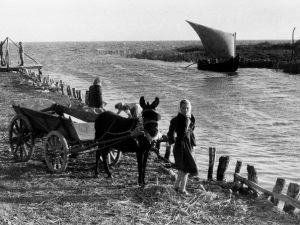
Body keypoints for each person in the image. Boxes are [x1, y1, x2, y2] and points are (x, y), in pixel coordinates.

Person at [167, 99, 198, 195]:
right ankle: (182, 189)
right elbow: (171, 133)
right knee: (186, 168)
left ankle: (176, 186)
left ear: (190, 108)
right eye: (183, 108)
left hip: (186, 146)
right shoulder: (178, 120)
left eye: (187, 108)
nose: (185, 110)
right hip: (181, 146)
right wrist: (171, 142)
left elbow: (191, 133)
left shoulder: (190, 118)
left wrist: (193, 144)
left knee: (182, 168)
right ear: (180, 108)